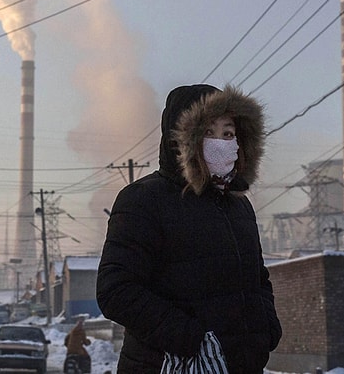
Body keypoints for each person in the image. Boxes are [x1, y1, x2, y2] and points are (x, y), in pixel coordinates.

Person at [97, 84, 282, 373]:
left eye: (228, 133)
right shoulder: (144, 199)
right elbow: (116, 291)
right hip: (167, 365)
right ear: (182, 139)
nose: (221, 142)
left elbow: (258, 280)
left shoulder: (238, 206)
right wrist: (191, 339)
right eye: (208, 133)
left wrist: (266, 328)